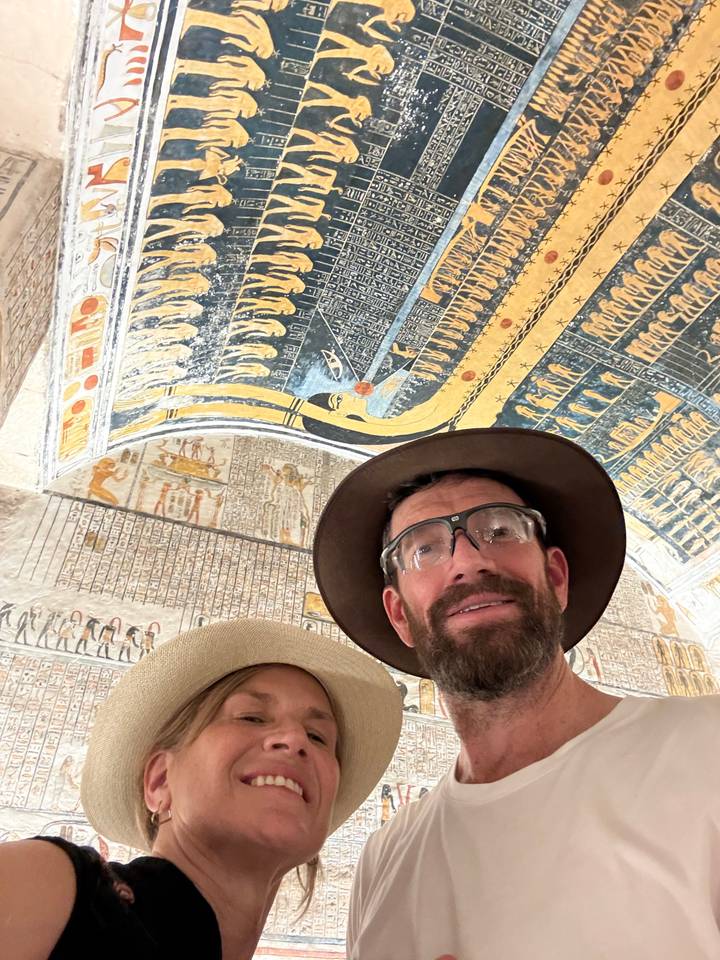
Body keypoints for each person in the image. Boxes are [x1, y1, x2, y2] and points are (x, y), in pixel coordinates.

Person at [312, 426, 720, 959]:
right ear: (400, 616)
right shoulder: (385, 860)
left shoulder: (707, 746)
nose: (467, 561)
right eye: (424, 548)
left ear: (556, 577)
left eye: (500, 530)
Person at [0, 618, 402, 958]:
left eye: (318, 737)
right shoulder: (55, 888)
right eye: (251, 717)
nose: (295, 739)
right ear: (160, 781)